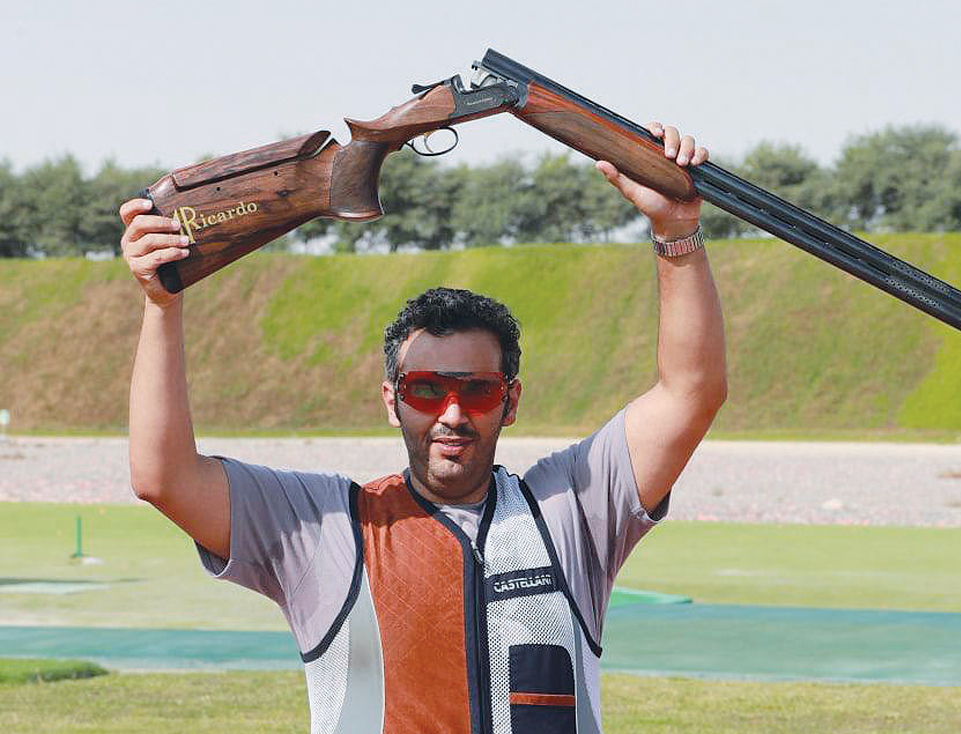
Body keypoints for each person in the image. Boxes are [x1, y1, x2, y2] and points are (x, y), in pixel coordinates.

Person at [119, 124, 726, 734]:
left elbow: (692, 392)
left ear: (510, 401)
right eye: (427, 390)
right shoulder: (328, 525)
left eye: (478, 390)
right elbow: (163, 477)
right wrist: (161, 306)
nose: (453, 415)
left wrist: (676, 233)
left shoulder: (571, 508)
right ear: (393, 401)